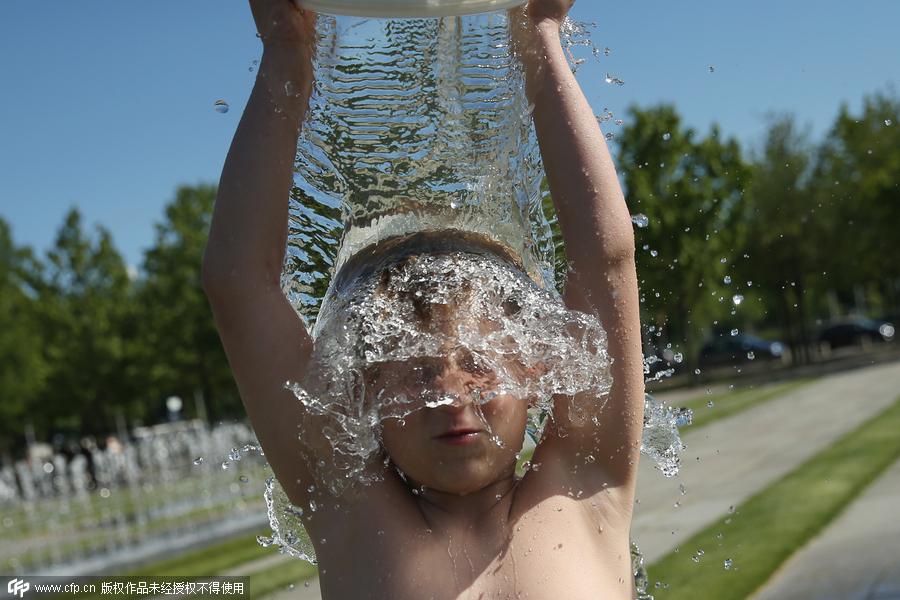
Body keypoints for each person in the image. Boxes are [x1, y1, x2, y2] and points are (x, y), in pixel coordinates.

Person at [202, 0, 644, 597]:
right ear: (362, 394)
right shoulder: (349, 512)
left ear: (536, 370)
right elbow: (238, 286)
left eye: (480, 363)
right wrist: (286, 52)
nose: (450, 394)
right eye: (414, 371)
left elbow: (605, 259)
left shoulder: (584, 486)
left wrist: (540, 32)